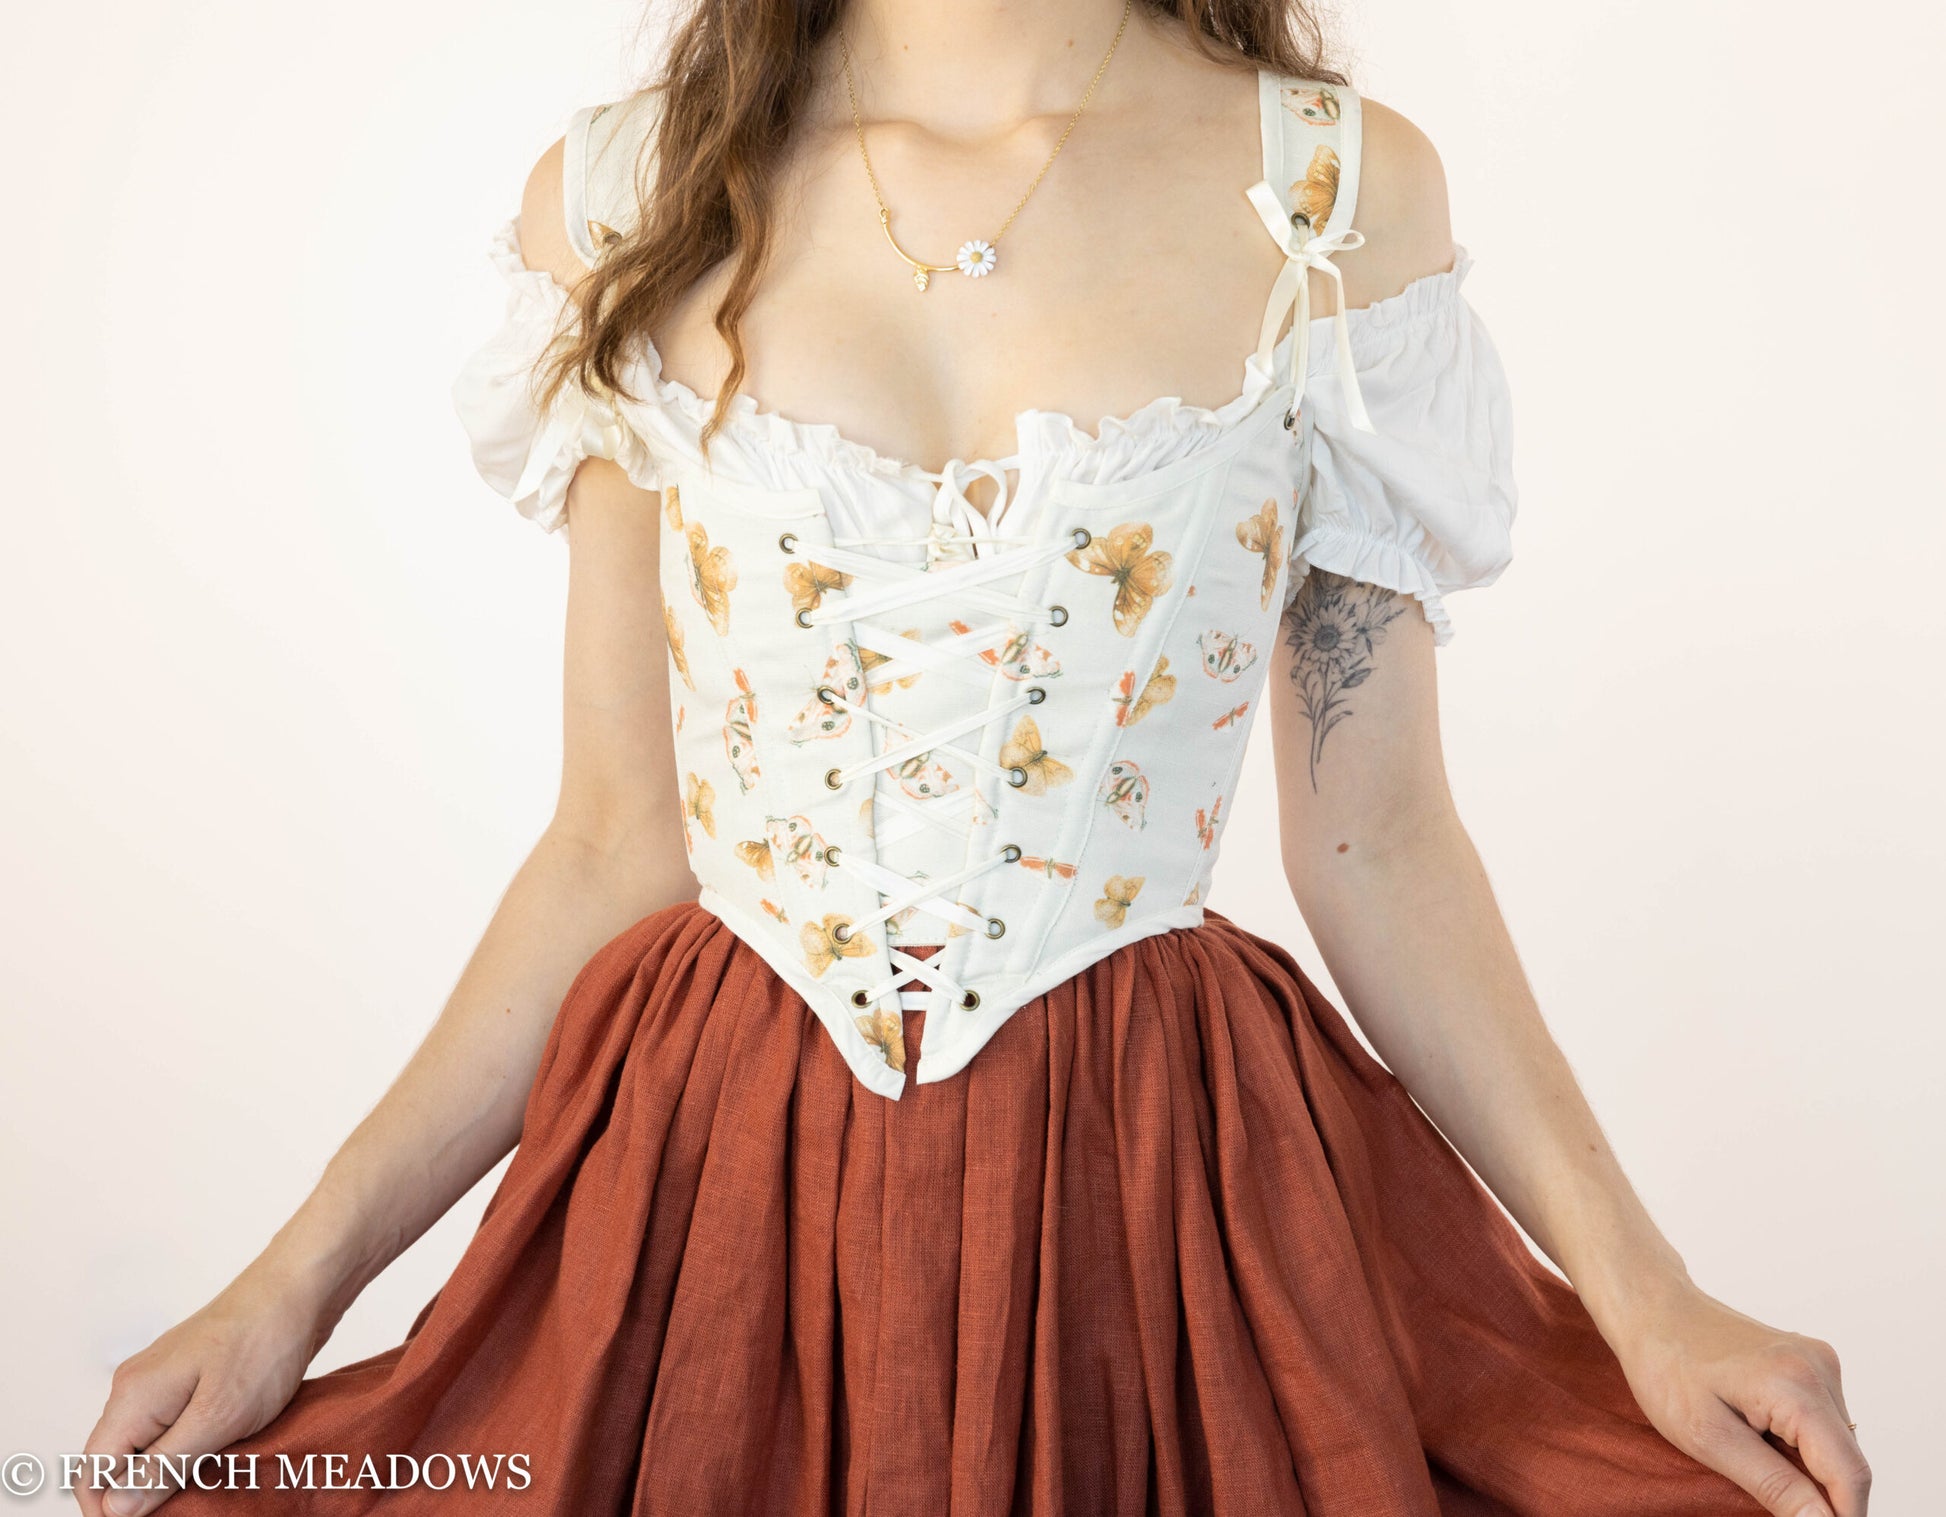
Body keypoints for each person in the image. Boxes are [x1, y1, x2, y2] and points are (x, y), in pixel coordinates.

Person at [80, 2, 1869, 1514]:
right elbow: (615, 841)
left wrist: (1649, 1297)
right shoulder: (631, 194)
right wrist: (286, 1287)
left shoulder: (1329, 199)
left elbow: (1376, 839)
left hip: (1151, 1193)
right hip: (718, 1193)